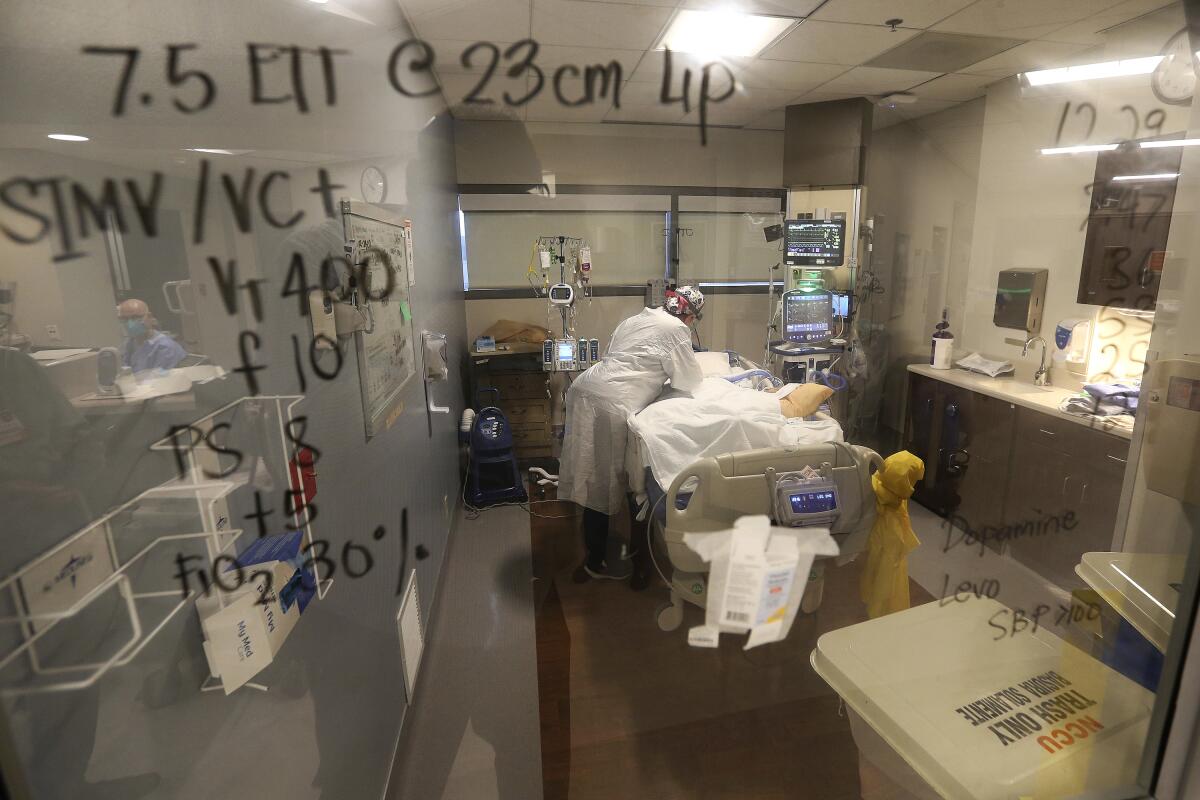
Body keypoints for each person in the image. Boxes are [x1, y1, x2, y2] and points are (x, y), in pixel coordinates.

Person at [558, 286, 706, 589]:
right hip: (615, 404)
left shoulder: (635, 319)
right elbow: (689, 380)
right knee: (633, 485)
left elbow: (621, 357)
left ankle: (593, 558)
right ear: (689, 315)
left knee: (592, 478)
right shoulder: (677, 329)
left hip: (587, 390)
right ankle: (639, 563)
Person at [116, 298, 186, 372]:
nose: (130, 324)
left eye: (135, 317)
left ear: (149, 317)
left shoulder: (165, 347)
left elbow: (160, 381)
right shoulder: (129, 343)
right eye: (124, 319)